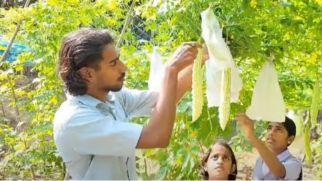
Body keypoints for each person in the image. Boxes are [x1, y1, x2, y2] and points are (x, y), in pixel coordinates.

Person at [53, 28, 207, 180]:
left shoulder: (113, 97)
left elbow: (164, 100)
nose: (123, 67)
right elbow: (157, 136)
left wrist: (203, 58)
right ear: (88, 74)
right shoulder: (75, 120)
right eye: (113, 63)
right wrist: (170, 70)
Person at [236, 114, 302, 180]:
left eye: (278, 129)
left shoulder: (294, 164)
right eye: (269, 128)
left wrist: (251, 135)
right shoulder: (260, 160)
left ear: (290, 139)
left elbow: (279, 171)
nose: (271, 132)